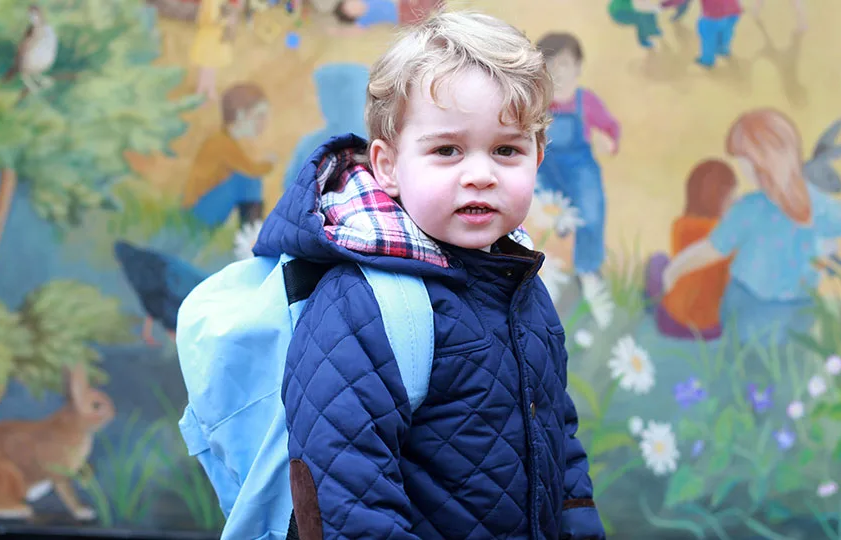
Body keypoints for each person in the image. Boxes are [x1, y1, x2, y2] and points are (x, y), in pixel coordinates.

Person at [252, 10, 605, 539]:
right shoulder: (363, 303)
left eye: (506, 149)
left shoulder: (518, 280)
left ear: (537, 158)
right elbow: (348, 495)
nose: (481, 175)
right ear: (388, 166)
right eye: (447, 150)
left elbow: (556, 432)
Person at [661, 108, 841, 344]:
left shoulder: (750, 207)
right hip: (799, 311)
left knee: (745, 351)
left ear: (761, 160)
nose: (742, 169)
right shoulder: (816, 203)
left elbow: (713, 249)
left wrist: (675, 269)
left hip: (749, 306)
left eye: (743, 161)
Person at [535, 32, 620, 289]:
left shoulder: (587, 101)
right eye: (550, 65)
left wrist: (608, 141)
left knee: (591, 214)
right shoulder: (537, 102)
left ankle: (588, 270)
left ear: (578, 67)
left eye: (564, 64)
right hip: (546, 169)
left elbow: (609, 127)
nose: (557, 71)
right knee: (542, 217)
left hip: (581, 171)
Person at [645, 159, 737, 341]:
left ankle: (650, 306)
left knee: (658, 260)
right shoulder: (726, 238)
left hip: (670, 323)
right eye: (732, 198)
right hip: (712, 330)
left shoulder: (680, 226)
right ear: (721, 199)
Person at [183, 82, 277, 228]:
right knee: (249, 179)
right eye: (259, 116)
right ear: (240, 114)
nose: (263, 123)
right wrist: (269, 163)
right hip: (197, 213)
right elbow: (251, 169)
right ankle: (251, 233)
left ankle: (250, 232)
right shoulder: (222, 143)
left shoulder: (225, 140)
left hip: (201, 208)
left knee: (247, 179)